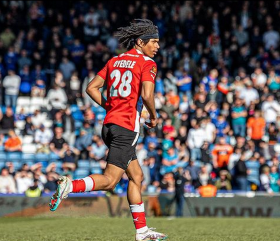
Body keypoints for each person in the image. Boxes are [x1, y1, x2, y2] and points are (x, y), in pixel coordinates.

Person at [49, 19, 167, 240]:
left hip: (109, 125)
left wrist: (110, 106)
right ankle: (70, 186)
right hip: (126, 128)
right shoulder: (147, 64)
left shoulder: (115, 60)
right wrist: (153, 116)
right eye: (154, 42)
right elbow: (147, 95)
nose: (158, 47)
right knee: (111, 180)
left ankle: (141, 231)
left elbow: (91, 88)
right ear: (141, 42)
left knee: (137, 176)